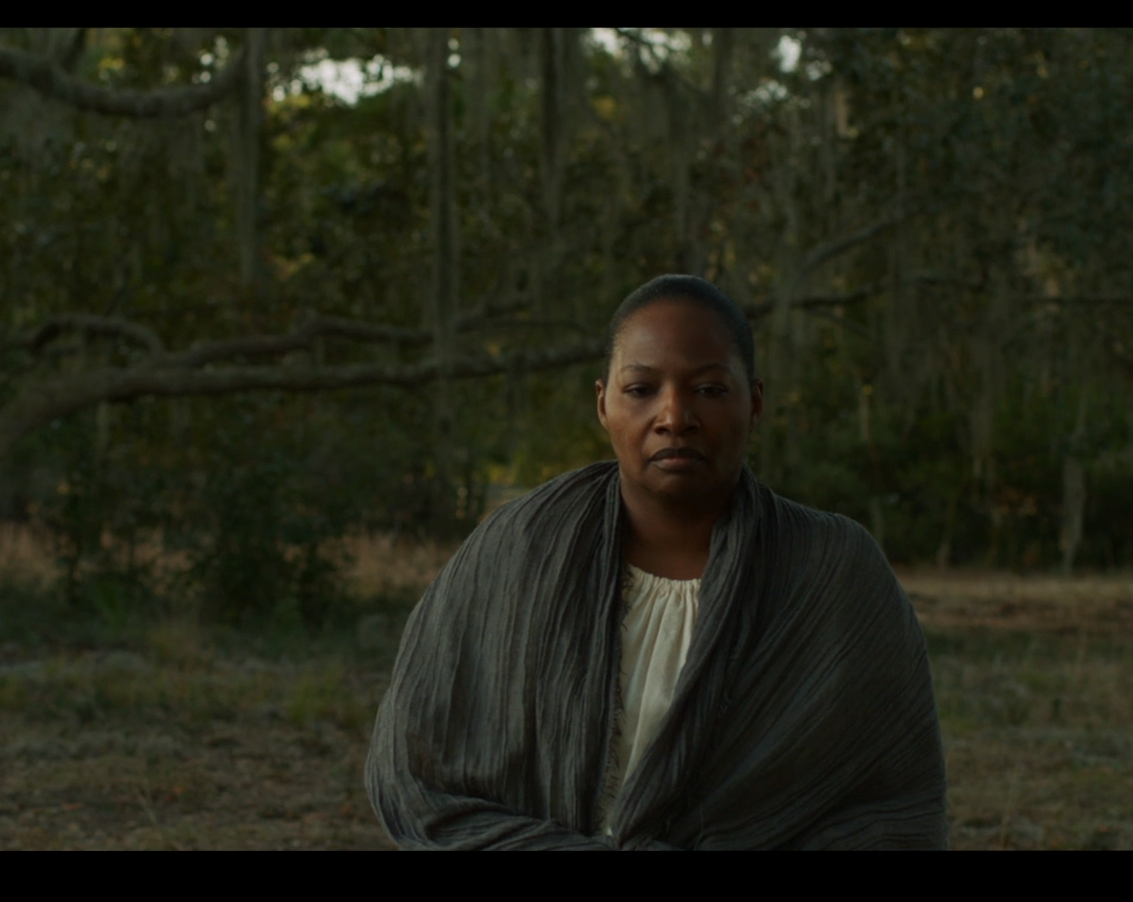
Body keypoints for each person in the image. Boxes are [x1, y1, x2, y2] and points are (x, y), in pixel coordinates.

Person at [365, 274, 947, 849]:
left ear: (755, 402)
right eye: (641, 389)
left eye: (710, 389)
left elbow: (888, 810)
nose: (674, 415)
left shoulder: (832, 573)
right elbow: (418, 776)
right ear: (603, 404)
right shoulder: (519, 549)